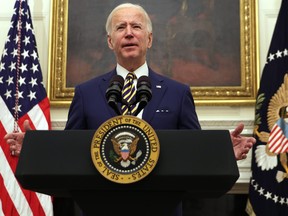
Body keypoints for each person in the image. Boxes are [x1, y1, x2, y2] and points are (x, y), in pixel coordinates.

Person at [4, 3, 256, 215]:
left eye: (136, 26)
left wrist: (223, 151)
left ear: (149, 38)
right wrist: (36, 148)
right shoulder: (86, 92)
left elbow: (193, 152)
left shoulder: (178, 93)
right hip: (101, 208)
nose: (128, 33)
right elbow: (72, 151)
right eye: (120, 27)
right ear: (110, 41)